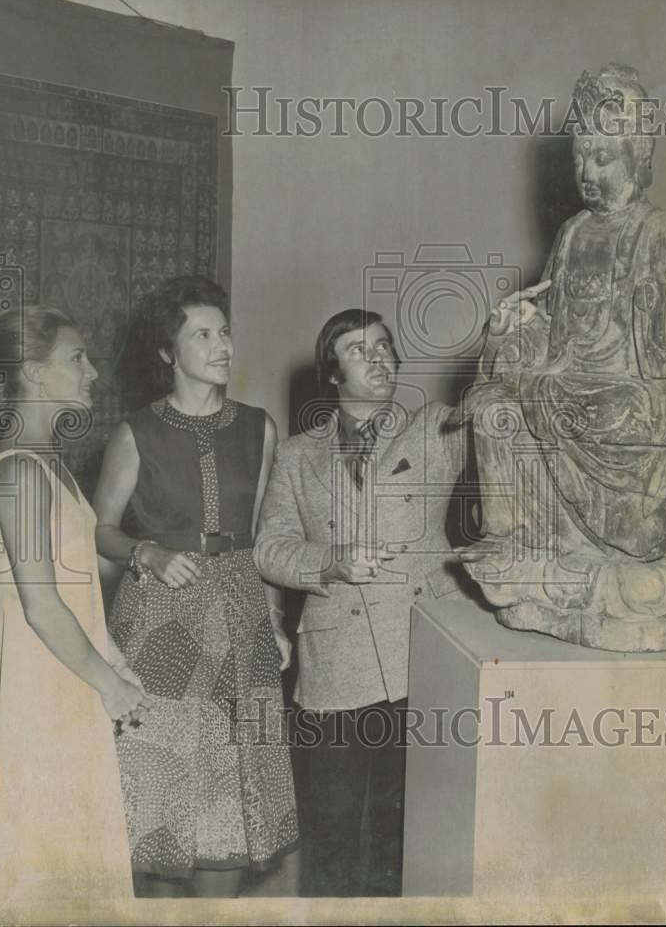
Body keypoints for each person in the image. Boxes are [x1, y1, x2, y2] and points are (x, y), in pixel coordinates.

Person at [460, 63, 666, 651]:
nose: (587, 173)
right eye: (579, 158)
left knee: (553, 394)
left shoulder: (660, 232)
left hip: (625, 397)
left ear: (636, 155)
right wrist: (518, 325)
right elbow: (559, 327)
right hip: (566, 380)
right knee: (492, 404)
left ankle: (596, 556)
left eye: (603, 159)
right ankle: (516, 543)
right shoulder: (571, 234)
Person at [253, 308, 471, 896]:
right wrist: (327, 563)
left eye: (383, 346)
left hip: (423, 654)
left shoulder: (433, 427)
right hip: (334, 667)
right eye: (357, 349)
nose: (376, 357)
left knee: (412, 833)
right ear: (331, 373)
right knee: (332, 831)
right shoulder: (298, 455)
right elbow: (269, 548)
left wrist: (504, 339)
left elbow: (491, 405)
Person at [93, 276, 298, 899]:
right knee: (164, 790)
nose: (222, 345)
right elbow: (98, 530)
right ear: (167, 352)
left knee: (235, 795)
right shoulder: (136, 433)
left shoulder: (259, 428)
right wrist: (147, 552)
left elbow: (264, 536)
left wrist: (276, 622)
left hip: (240, 615)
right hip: (161, 621)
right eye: (202, 334)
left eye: (225, 331)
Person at [0, 304, 149, 902]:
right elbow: (43, 608)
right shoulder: (19, 472)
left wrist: (115, 661)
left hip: (71, 675)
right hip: (41, 685)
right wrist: (110, 683)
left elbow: (81, 588)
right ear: (36, 373)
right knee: (41, 856)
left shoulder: (53, 468)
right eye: (77, 358)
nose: (92, 372)